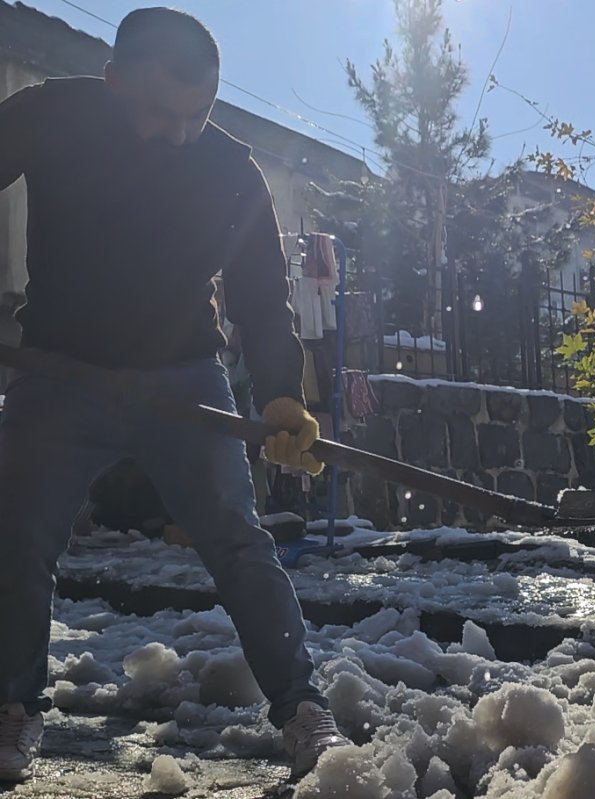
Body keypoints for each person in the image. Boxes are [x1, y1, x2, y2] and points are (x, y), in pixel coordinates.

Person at [0, 7, 351, 783]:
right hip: (61, 370)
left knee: (237, 539)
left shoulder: (230, 167)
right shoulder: (47, 115)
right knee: (15, 537)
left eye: (200, 114)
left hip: (184, 375)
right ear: (113, 80)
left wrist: (282, 399)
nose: (181, 134)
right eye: (161, 112)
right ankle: (12, 708)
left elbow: (263, 295)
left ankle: (301, 708)